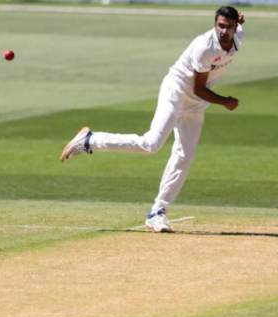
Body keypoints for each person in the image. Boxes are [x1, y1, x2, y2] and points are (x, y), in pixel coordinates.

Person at [60, 6, 245, 233]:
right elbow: (199, 88)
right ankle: (91, 140)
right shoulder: (204, 47)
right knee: (151, 144)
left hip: (195, 104)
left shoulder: (237, 36)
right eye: (220, 25)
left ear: (236, 26)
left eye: (229, 26)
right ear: (215, 24)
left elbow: (240, 29)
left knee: (184, 156)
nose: (224, 31)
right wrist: (225, 101)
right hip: (176, 92)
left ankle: (158, 212)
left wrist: (240, 24)